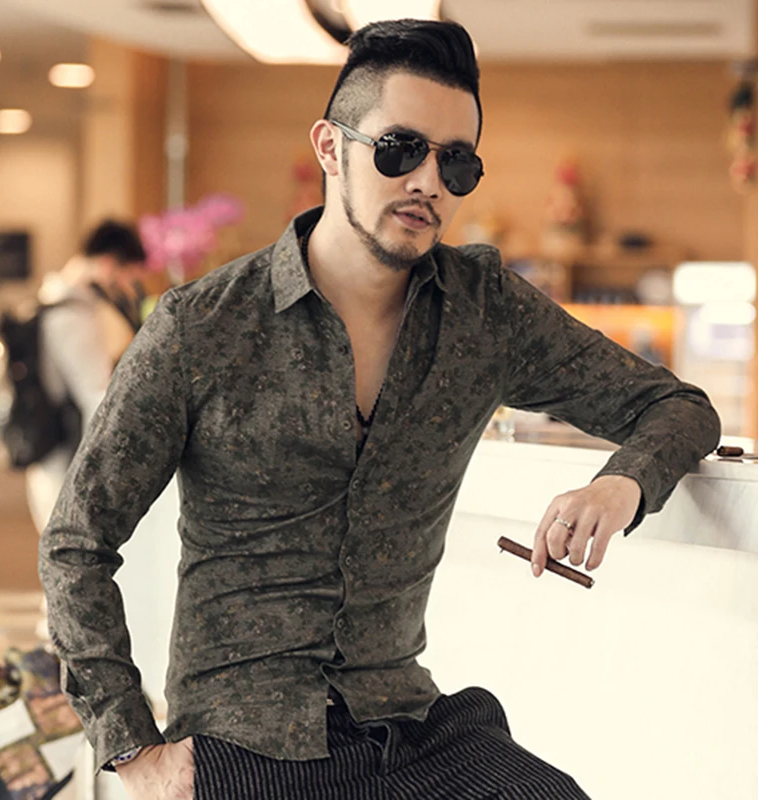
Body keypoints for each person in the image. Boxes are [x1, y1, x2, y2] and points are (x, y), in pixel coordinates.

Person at [38, 19, 720, 800]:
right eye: (400, 149)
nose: (428, 181)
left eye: (456, 163)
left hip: (413, 728)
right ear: (330, 149)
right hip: (247, 745)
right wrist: (134, 752)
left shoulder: (485, 312)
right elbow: (77, 541)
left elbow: (677, 407)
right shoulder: (203, 327)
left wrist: (620, 485)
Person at [25, 219, 145, 534]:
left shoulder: (53, 301)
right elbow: (96, 395)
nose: (127, 287)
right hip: (65, 452)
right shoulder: (72, 315)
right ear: (109, 264)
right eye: (128, 277)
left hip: (52, 448)